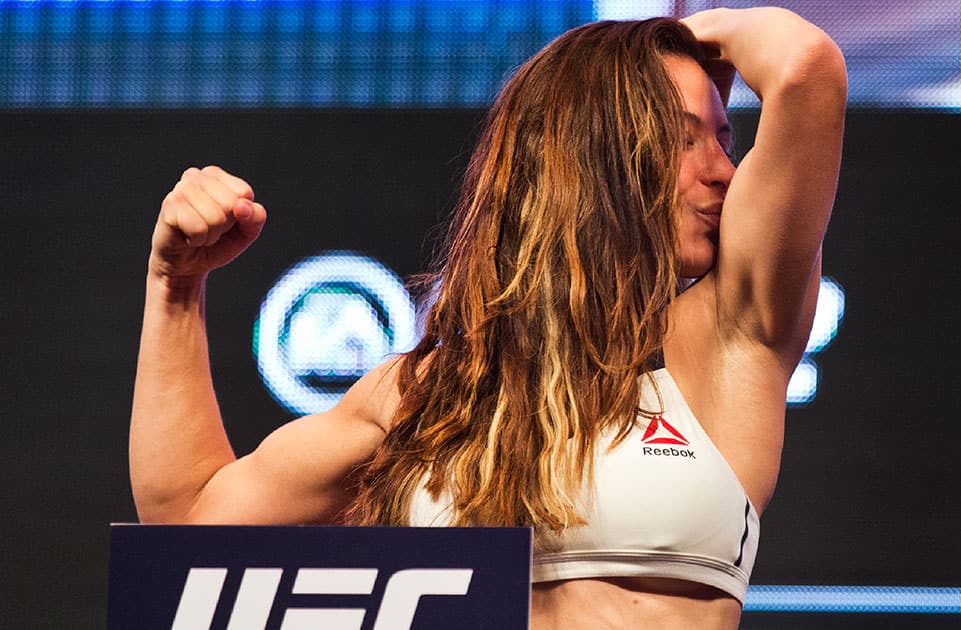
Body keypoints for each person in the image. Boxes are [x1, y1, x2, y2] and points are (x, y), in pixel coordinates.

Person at [130, 7, 846, 629]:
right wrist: (175, 284)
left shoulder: (727, 343)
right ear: (593, 149)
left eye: (725, 139)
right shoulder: (424, 396)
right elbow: (192, 527)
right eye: (688, 137)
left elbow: (804, 66)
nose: (725, 170)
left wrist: (661, 41)